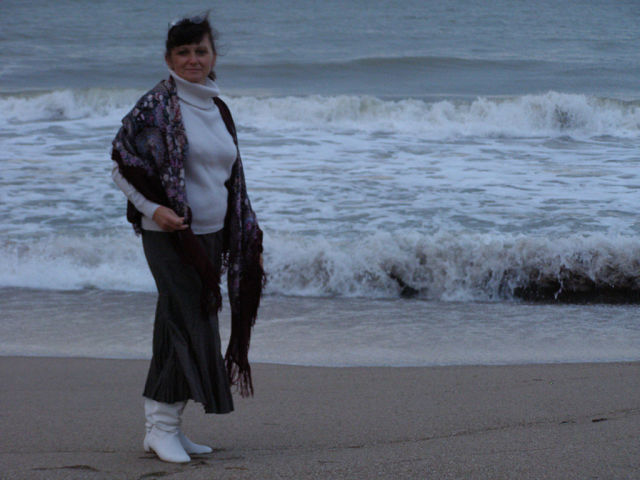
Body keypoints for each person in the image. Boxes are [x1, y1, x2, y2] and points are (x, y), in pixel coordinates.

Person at [111, 12, 265, 464]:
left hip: (212, 236)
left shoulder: (217, 108)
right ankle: (163, 427)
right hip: (171, 235)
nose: (193, 59)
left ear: (213, 56)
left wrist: (245, 235)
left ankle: (163, 429)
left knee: (174, 324)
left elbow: (228, 177)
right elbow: (121, 164)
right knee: (189, 324)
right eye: (183, 52)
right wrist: (152, 208)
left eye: (201, 51)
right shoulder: (156, 106)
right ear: (169, 59)